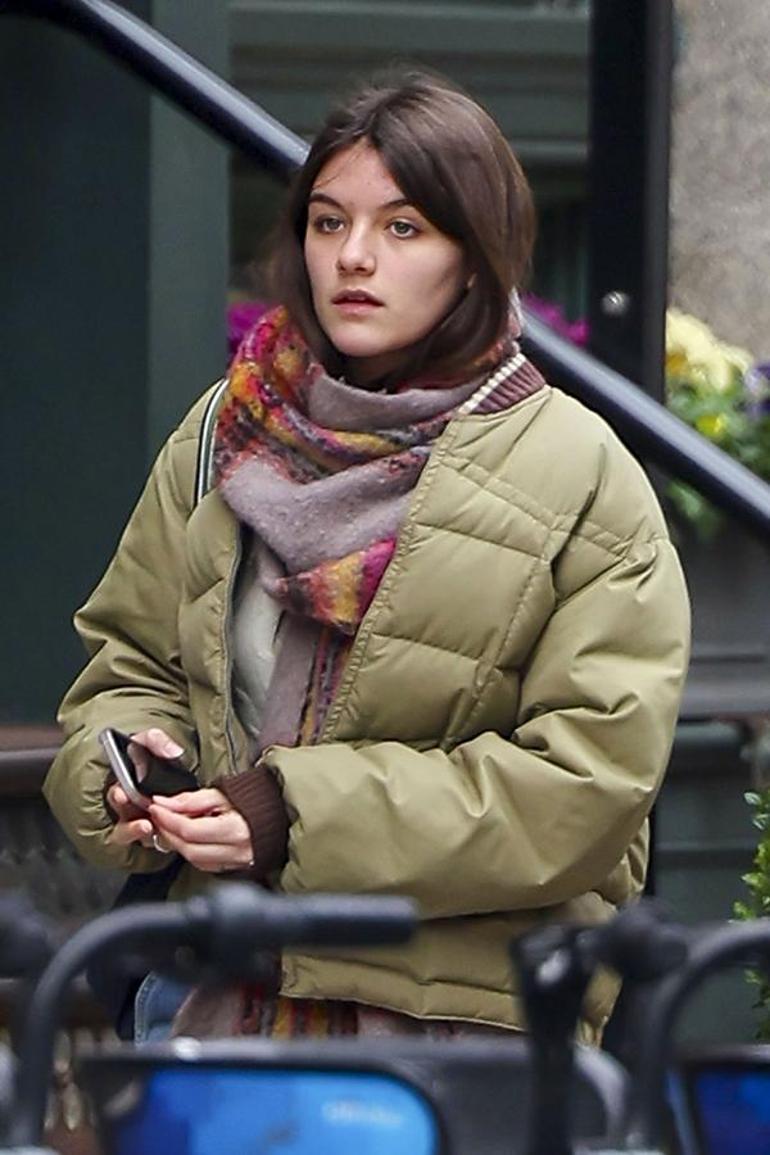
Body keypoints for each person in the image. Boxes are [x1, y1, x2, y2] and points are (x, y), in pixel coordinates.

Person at [44, 70, 690, 1045]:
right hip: (207, 997)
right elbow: (128, 666)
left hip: (449, 1032)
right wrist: (127, 772)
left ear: (475, 257)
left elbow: (585, 786)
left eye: (403, 227)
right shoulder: (225, 430)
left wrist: (289, 813)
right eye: (327, 220)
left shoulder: (580, 474)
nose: (353, 256)